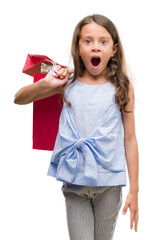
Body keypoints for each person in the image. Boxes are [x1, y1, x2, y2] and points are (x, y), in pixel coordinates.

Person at [14, 14, 139, 240]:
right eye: (88, 41)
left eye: (103, 41)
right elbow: (19, 99)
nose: (95, 47)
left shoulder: (122, 86)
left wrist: (135, 190)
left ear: (114, 49)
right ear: (78, 47)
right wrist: (45, 82)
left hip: (109, 186)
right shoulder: (67, 83)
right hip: (74, 184)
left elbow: (130, 139)